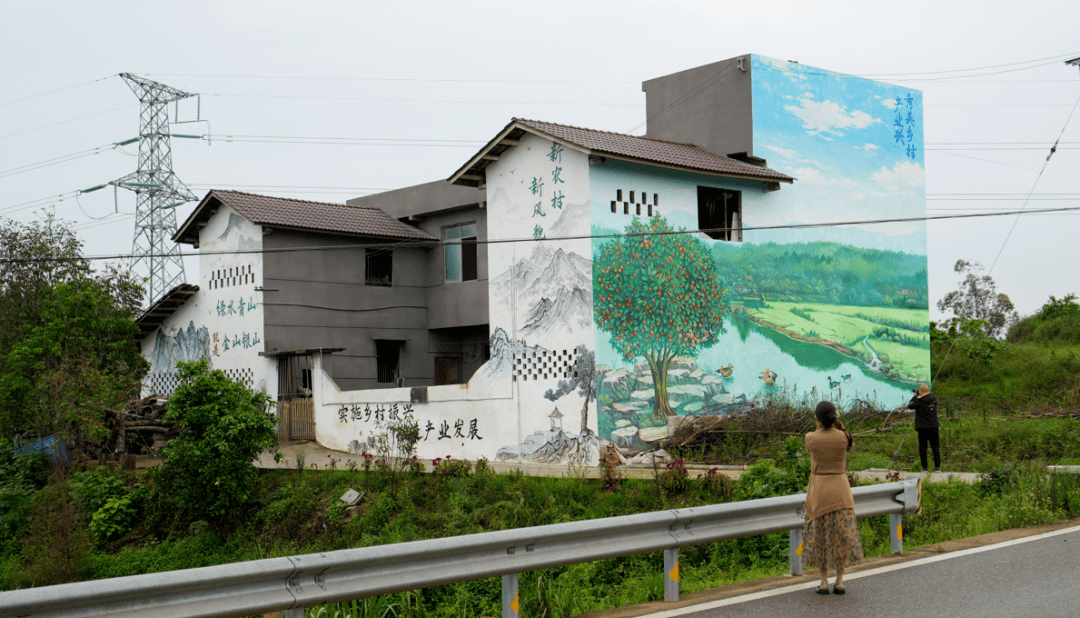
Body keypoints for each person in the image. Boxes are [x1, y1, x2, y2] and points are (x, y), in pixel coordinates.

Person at [803, 401, 863, 595]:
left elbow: (811, 450)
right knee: (841, 538)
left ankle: (823, 582)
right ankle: (839, 582)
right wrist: (840, 423)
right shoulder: (844, 437)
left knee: (821, 538)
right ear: (835, 416)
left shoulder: (810, 438)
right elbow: (849, 443)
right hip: (841, 491)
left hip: (819, 492)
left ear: (817, 418)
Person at [908, 384, 941, 473]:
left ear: (920, 391)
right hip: (933, 426)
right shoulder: (934, 398)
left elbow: (910, 405)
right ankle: (937, 468)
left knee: (923, 448)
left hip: (922, 428)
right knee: (935, 447)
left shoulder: (918, 401)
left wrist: (916, 395)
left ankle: (925, 468)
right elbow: (928, 397)